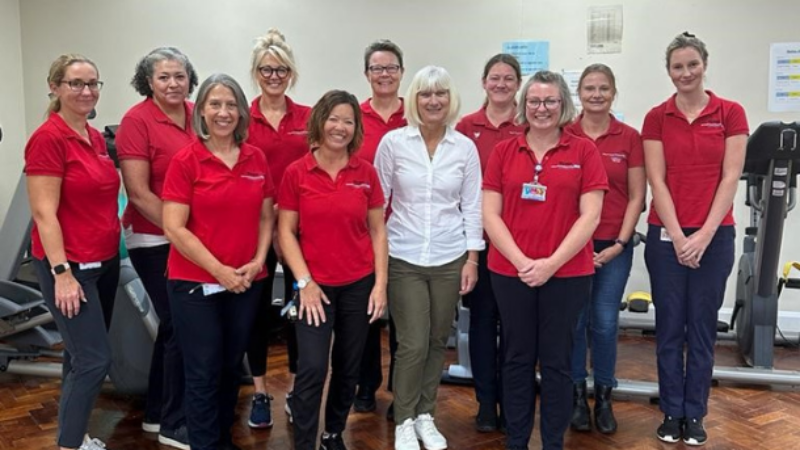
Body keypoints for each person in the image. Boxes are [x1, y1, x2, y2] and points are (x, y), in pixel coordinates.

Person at [482, 70, 608, 450]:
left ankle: (553, 442)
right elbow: (490, 214)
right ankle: (516, 441)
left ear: (563, 104)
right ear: (524, 105)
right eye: (534, 101)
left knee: (557, 361)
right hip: (510, 272)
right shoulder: (504, 151)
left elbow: (591, 216)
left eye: (550, 101)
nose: (542, 108)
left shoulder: (584, 151)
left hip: (567, 275)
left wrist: (550, 263)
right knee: (516, 358)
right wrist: (523, 262)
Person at [642, 32, 748, 446]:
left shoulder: (731, 113)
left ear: (704, 64)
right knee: (669, 327)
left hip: (714, 237)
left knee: (702, 329)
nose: (685, 73)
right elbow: (656, 180)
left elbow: (730, 177)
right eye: (677, 66)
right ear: (668, 71)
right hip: (665, 236)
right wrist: (677, 235)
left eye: (692, 64)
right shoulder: (657, 117)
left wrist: (703, 235)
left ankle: (695, 413)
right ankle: (672, 411)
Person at [374, 65, 484, 450]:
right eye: (425, 93)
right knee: (413, 343)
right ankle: (404, 418)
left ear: (450, 99)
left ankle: (425, 415)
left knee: (438, 340)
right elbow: (377, 204)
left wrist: (472, 259)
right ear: (414, 99)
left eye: (440, 93)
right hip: (404, 256)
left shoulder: (464, 148)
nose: (433, 101)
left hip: (450, 256)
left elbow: (472, 206)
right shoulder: (393, 143)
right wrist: (377, 262)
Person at [162, 73, 275, 450]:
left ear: (241, 112)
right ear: (202, 111)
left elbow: (266, 216)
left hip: (246, 281)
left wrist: (258, 261)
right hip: (195, 284)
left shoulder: (256, 158)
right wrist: (219, 271)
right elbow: (174, 227)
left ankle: (221, 440)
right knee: (203, 372)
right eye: (215, 104)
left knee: (230, 367)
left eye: (231, 105)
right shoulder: (186, 161)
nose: (223, 112)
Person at [277, 89, 388, 450]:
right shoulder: (297, 172)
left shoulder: (366, 172)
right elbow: (286, 232)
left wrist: (380, 285)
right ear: (320, 122)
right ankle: (304, 443)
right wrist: (304, 282)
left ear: (356, 128)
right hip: (315, 287)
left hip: (359, 284)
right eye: (333, 119)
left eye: (348, 121)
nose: (340, 127)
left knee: (348, 366)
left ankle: (332, 434)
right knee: (311, 367)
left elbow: (377, 230)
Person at [25, 54, 120, 450]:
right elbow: (43, 213)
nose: (86, 91)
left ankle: (74, 437)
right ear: (55, 87)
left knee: (78, 357)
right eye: (76, 83)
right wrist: (62, 273)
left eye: (93, 83)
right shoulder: (48, 139)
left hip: (105, 262)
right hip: (71, 267)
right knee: (95, 360)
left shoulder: (94, 137)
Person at [116, 46, 198, 450]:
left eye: (179, 76)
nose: (173, 83)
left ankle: (156, 413)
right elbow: (138, 192)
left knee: (176, 326)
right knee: (178, 324)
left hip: (193, 238)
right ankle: (171, 422)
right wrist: (179, 228)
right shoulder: (137, 120)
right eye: (163, 77)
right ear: (148, 81)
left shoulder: (198, 113)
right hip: (153, 238)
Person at [565, 63, 646, 435]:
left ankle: (604, 397)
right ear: (579, 93)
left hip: (614, 244)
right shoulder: (565, 133)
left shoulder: (629, 137)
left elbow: (636, 196)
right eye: (589, 88)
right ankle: (577, 397)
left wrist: (620, 243)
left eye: (603, 88)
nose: (596, 94)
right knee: (575, 321)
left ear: (613, 93)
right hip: (572, 247)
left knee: (605, 321)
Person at [244, 28, 310, 428]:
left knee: (301, 309)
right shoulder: (242, 118)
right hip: (254, 228)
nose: (274, 76)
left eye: (281, 70)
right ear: (256, 73)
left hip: (301, 227)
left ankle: (299, 390)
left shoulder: (307, 117)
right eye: (267, 70)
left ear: (291, 73)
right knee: (256, 313)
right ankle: (260, 392)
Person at [455, 53, 525, 432]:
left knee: (515, 328)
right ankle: (485, 402)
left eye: (508, 78)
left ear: (518, 83)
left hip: (519, 246)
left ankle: (513, 401)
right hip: (478, 245)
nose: (501, 84)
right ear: (484, 82)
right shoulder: (467, 127)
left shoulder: (529, 125)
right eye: (494, 78)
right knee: (482, 324)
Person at [353, 38, 407, 417]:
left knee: (405, 316)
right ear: (366, 74)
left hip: (406, 233)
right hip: (361, 233)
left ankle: (403, 390)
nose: (384, 74)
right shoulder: (353, 118)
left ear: (401, 72)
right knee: (365, 316)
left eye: (390, 68)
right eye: (377, 68)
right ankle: (365, 385)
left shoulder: (417, 114)